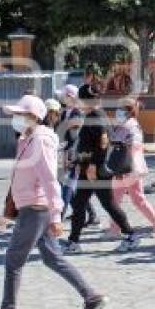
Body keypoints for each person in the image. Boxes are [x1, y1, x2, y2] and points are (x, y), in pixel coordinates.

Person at [0, 95, 107, 309]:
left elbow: (49, 180)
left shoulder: (40, 140)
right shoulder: (26, 139)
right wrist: (7, 213)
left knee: (13, 258)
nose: (15, 119)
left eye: (19, 114)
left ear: (33, 117)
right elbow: (18, 178)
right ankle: (92, 297)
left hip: (37, 208)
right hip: (31, 206)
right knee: (52, 258)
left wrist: (56, 216)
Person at [63, 84, 139, 254]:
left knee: (108, 205)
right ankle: (73, 242)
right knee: (79, 204)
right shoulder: (92, 115)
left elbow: (103, 143)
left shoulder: (96, 115)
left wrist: (92, 165)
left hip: (95, 171)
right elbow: (88, 144)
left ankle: (131, 236)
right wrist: (77, 161)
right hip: (88, 169)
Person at [109, 98, 155, 236]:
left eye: (121, 108)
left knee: (138, 200)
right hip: (121, 169)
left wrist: (119, 148)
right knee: (115, 200)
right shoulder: (122, 124)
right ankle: (114, 228)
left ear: (129, 110)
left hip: (130, 168)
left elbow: (133, 146)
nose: (118, 111)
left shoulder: (132, 126)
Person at [55, 85, 98, 225]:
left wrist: (66, 151)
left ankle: (59, 219)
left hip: (71, 154)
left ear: (71, 97)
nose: (61, 98)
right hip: (63, 152)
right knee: (71, 188)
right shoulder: (64, 112)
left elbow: (74, 137)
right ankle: (92, 214)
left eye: (64, 96)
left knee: (67, 187)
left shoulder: (77, 113)